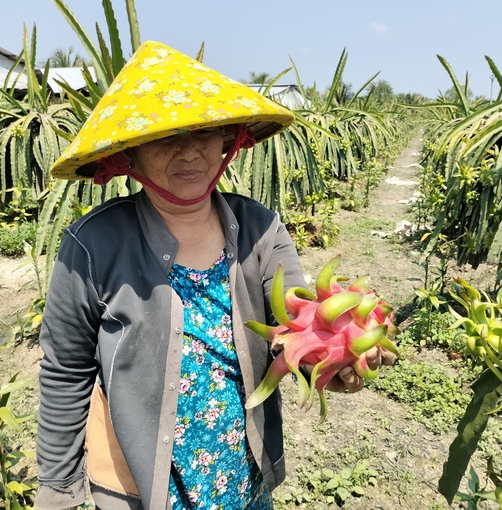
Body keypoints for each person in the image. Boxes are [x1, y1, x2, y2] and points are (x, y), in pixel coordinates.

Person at [36, 41, 394, 510]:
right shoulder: (92, 245)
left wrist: (329, 357)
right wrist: (58, 493)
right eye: (166, 137)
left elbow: (300, 319)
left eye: (204, 132)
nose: (189, 152)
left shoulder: (261, 230)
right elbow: (65, 373)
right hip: (141, 486)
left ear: (227, 140)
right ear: (131, 154)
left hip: (242, 478)